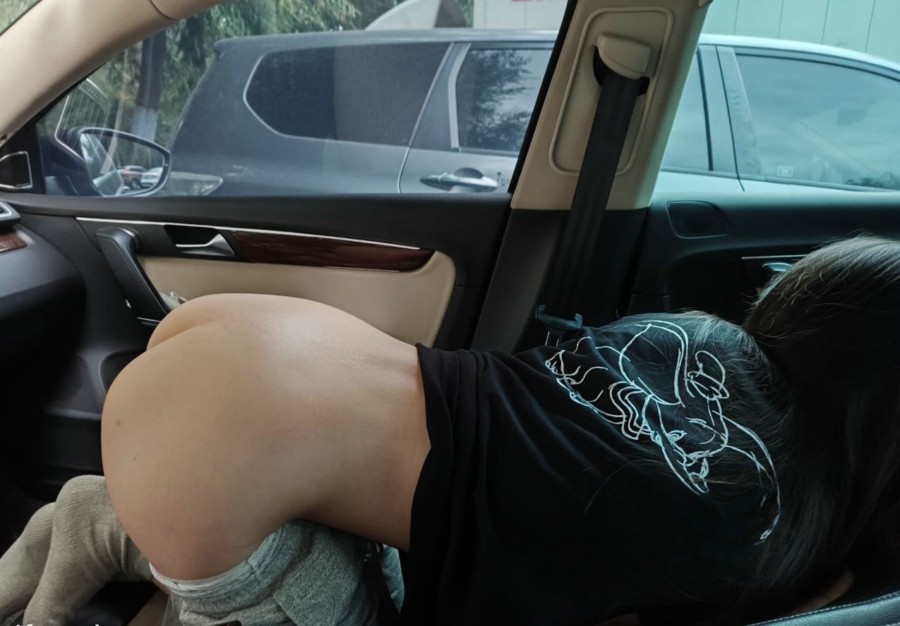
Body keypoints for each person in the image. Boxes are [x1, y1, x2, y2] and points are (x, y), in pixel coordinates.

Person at [3, 236, 899, 624]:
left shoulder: (702, 336)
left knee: (279, 480)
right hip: (215, 457)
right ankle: (134, 519)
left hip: (262, 339)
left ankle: (100, 513)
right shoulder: (774, 528)